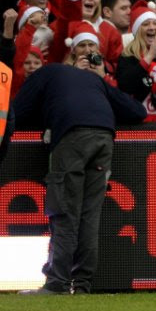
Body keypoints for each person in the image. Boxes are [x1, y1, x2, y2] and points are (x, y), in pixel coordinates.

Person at [14, 63, 146, 295]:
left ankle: (57, 284)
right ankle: (83, 285)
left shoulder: (43, 74)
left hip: (71, 135)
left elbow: (16, 113)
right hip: (105, 137)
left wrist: (47, 118)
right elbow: (137, 111)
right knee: (90, 214)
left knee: (64, 212)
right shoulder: (92, 79)